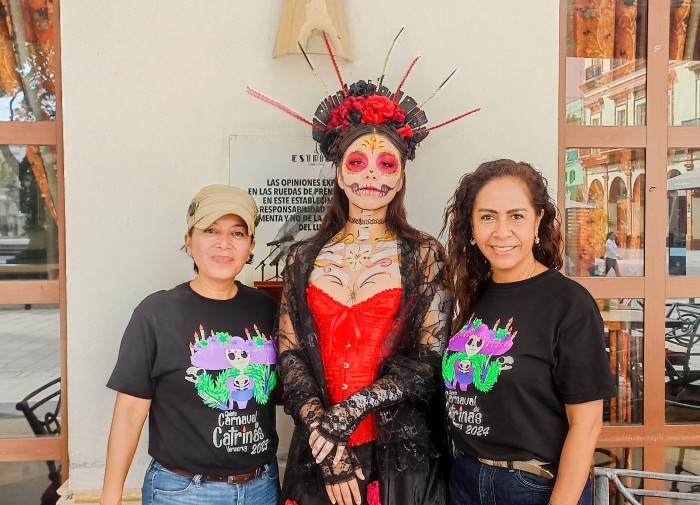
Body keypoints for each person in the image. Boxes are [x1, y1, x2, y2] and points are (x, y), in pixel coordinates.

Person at [247, 32, 478, 505]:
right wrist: (326, 437)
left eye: (386, 163)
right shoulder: (303, 257)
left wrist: (347, 413)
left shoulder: (424, 255)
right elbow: (290, 356)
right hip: (319, 452)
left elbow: (428, 361)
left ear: (401, 176)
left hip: (402, 460)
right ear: (339, 172)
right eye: (358, 161)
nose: (371, 174)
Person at [442, 159, 615, 505]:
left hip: (532, 487)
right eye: (487, 217)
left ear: (537, 221)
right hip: (463, 479)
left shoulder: (569, 304)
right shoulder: (473, 295)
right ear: (471, 227)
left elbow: (587, 425)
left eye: (516, 216)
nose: (501, 231)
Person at [101, 185, 280, 505]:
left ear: (251, 245)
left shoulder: (266, 309)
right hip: (184, 492)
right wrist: (110, 496)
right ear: (188, 240)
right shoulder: (156, 313)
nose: (224, 243)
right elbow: (130, 411)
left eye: (237, 233)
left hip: (261, 487)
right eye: (211, 230)